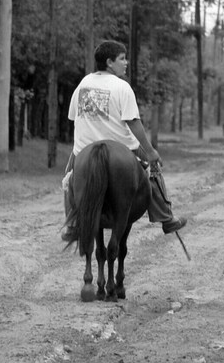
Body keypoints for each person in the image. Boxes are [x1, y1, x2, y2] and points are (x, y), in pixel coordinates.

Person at [60, 40, 187, 242]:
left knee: (69, 178)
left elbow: (74, 118)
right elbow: (133, 121)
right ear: (110, 62)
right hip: (122, 146)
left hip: (84, 147)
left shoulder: (83, 84)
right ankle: (166, 217)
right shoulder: (122, 87)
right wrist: (150, 151)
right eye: (122, 58)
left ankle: (72, 224)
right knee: (152, 171)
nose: (126, 62)